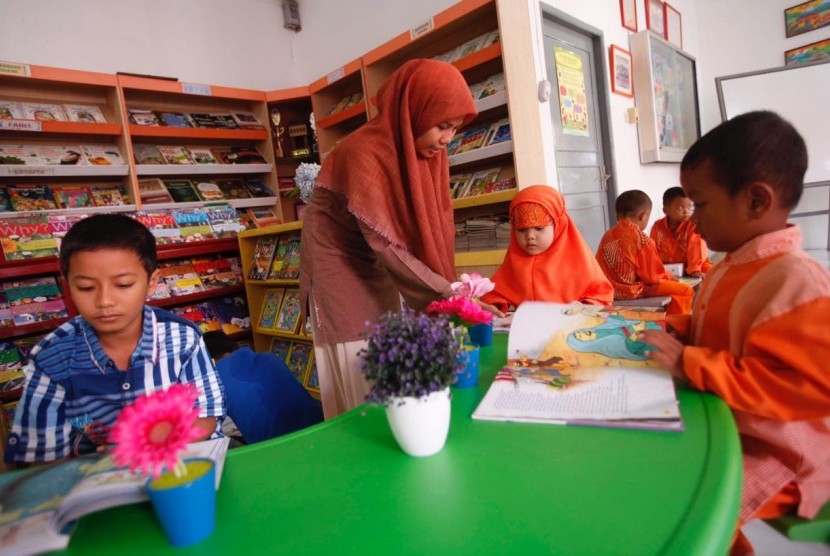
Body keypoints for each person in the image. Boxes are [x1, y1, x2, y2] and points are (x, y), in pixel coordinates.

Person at [639, 111, 830, 556]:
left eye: (700, 205)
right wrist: (676, 330)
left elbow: (806, 386)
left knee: (694, 503)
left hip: (781, 453)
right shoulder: (734, 260)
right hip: (725, 423)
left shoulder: (796, 281)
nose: (691, 221)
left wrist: (690, 362)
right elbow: (716, 326)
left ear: (756, 201)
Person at [299, 59, 492, 419]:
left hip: (372, 263)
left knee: (385, 354)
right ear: (414, 111)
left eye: (455, 128)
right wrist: (451, 296)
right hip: (337, 269)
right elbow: (386, 244)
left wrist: (452, 295)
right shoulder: (363, 152)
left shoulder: (419, 152)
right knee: (362, 373)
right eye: (442, 126)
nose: (448, 138)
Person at [5, 214, 225, 465]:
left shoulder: (183, 339)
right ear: (68, 286)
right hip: (97, 481)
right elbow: (42, 452)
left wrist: (143, 450)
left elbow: (207, 415)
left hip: (184, 467)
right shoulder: (52, 357)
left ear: (151, 282)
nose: (105, 301)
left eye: (123, 285)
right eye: (87, 288)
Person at [480, 185, 614, 312]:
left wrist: (585, 306)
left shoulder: (580, 260)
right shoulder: (514, 261)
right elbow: (494, 294)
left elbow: (601, 296)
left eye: (539, 228)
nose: (530, 236)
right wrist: (494, 306)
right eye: (521, 230)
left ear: (559, 225)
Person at [202, 331, 323, 443]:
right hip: (320, 426)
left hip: (275, 447)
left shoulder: (214, 378)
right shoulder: (270, 357)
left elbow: (205, 430)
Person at [595, 190, 694, 315]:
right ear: (644, 215)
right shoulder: (642, 240)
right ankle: (674, 327)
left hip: (609, 290)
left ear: (616, 215)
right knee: (685, 290)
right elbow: (653, 278)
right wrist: (668, 276)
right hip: (632, 292)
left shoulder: (607, 236)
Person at [649, 186, 713, 277]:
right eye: (680, 208)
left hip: (696, 265)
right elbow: (652, 251)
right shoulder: (657, 226)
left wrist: (694, 270)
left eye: (689, 206)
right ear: (666, 211)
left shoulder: (693, 224)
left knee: (713, 272)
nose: (686, 211)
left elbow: (696, 248)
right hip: (668, 268)